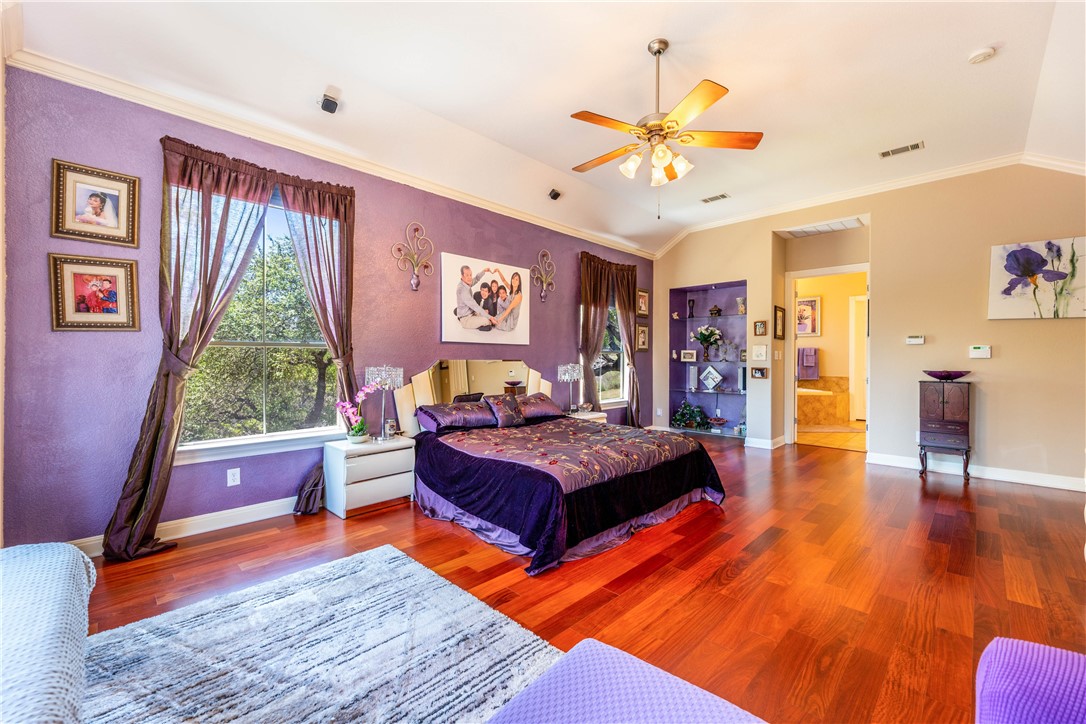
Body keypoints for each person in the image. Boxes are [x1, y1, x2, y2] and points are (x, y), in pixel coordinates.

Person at [455, 265, 497, 330]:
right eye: (467, 275)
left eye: (470, 275)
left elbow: (476, 279)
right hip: (466, 319)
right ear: (462, 276)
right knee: (487, 321)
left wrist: (484, 271)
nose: (470, 277)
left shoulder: (466, 283)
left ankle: (458, 312)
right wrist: (490, 317)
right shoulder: (462, 289)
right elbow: (475, 306)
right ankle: (462, 319)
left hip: (471, 312)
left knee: (485, 313)